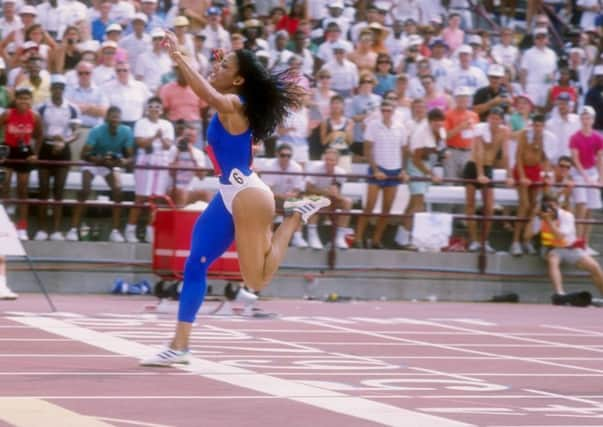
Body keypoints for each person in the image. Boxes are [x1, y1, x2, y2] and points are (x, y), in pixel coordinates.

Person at [141, 37, 330, 366]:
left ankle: (295, 216)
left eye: (225, 66)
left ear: (239, 80)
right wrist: (199, 60)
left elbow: (208, 95)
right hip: (229, 194)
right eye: (219, 62)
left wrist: (179, 57)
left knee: (256, 280)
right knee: (194, 263)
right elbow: (212, 89)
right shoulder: (234, 100)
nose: (218, 67)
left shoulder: (236, 104)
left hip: (248, 197)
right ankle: (179, 345)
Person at [66, 106, 134, 242]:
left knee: (118, 190)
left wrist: (121, 161)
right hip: (93, 161)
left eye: (117, 118)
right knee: (85, 190)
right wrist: (101, 160)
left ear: (120, 120)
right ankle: (73, 229)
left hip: (109, 164)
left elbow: (130, 157)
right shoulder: (96, 130)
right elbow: (84, 155)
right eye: (112, 117)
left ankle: (115, 231)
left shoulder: (126, 131)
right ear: (106, 118)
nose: (115, 120)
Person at [524, 192, 603, 305]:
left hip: (569, 247)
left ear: (558, 205)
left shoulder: (567, 216)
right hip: (551, 249)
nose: (550, 209)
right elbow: (526, 236)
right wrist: (533, 216)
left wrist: (549, 221)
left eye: (552, 206)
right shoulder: (541, 217)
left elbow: (560, 236)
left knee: (594, 266)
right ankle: (559, 294)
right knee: (553, 259)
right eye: (547, 206)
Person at [354, 100, 407, 249]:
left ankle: (376, 240)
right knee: (369, 207)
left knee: (386, 209)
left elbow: (403, 150)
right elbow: (367, 149)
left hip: (394, 170)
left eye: (389, 110)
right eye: (383, 110)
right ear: (380, 111)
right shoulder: (373, 125)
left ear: (394, 111)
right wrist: (375, 169)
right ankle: (358, 238)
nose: (386, 113)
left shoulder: (401, 128)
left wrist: (402, 169)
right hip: (377, 169)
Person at [34, 74, 80, 241]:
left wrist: (63, 141)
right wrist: (51, 140)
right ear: (51, 89)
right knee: (43, 190)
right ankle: (41, 229)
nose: (58, 90)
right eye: (55, 87)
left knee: (59, 191)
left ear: (64, 89)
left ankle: (56, 230)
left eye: (61, 87)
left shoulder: (72, 108)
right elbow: (37, 131)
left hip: (63, 150)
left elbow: (76, 132)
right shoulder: (41, 108)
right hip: (45, 148)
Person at [463, 107, 513, 252]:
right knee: (470, 206)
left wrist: (509, 175)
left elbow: (505, 154)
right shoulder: (480, 129)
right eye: (492, 118)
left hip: (488, 167)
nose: (494, 121)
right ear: (488, 118)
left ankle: (484, 241)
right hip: (473, 167)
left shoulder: (504, 132)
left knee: (489, 208)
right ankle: (473, 240)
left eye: (497, 118)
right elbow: (478, 151)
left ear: (501, 120)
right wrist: (479, 174)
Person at [125, 97, 174, 243]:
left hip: (161, 163)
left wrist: (160, 138)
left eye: (157, 107)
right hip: (145, 162)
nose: (154, 109)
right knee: (141, 197)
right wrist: (155, 137)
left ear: (161, 110)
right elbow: (140, 142)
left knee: (156, 199)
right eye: (151, 106)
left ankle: (150, 231)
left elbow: (168, 145)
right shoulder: (141, 123)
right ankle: (130, 230)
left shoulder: (167, 124)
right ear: (147, 109)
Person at [398, 108, 446, 249]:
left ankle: (402, 238)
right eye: (436, 122)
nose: (438, 124)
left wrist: (442, 153)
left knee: (413, 204)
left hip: (425, 164)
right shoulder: (420, 134)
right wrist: (431, 174)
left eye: (440, 121)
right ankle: (415, 239)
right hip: (415, 165)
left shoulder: (440, 130)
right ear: (430, 122)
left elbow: (439, 147)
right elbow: (416, 160)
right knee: (419, 205)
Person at [0, 87, 43, 240]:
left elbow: (39, 136)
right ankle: (4, 226)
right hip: (7, 151)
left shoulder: (35, 116)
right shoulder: (7, 114)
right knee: (4, 187)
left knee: (23, 189)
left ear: (31, 101)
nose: (24, 101)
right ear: (15, 100)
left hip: (24, 152)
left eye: (27, 98)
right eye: (21, 98)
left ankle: (22, 227)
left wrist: (35, 154)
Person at [509, 115, 551, 256]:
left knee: (534, 206)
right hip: (522, 170)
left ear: (543, 126)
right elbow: (518, 157)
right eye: (536, 125)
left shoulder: (545, 138)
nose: (538, 128)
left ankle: (527, 240)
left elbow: (545, 158)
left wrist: (546, 175)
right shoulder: (524, 134)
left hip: (536, 171)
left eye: (540, 125)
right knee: (525, 205)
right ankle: (515, 241)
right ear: (532, 125)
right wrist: (522, 177)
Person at [569, 106, 603, 256]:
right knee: (581, 206)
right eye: (583, 117)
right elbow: (575, 160)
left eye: (588, 117)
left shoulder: (598, 137)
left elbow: (600, 159)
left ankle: (585, 243)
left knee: (590, 209)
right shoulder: (574, 137)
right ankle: (577, 241)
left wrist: (600, 178)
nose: (585, 120)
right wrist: (586, 178)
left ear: (593, 120)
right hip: (578, 173)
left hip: (592, 173)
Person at [259, 143, 307, 248]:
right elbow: (266, 191)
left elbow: (298, 188)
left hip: (288, 200)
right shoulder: (269, 167)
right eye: (283, 155)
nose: (286, 158)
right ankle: (268, 239)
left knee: (300, 207)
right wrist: (282, 196)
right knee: (269, 208)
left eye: (288, 156)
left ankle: (297, 237)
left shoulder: (296, 167)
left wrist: (293, 194)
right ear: (277, 154)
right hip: (271, 198)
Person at [305, 148, 351, 250]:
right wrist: (325, 192)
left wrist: (335, 194)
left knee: (347, 202)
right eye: (327, 159)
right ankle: (312, 236)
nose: (329, 162)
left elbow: (337, 191)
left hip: (330, 200)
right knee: (314, 201)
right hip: (314, 198)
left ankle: (339, 237)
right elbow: (308, 188)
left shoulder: (341, 173)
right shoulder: (315, 169)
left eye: (332, 160)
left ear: (337, 161)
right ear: (324, 159)